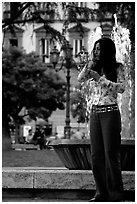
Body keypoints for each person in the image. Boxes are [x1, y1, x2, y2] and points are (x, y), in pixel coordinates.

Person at [78, 37, 125, 202]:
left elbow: (122, 88)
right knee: (96, 155)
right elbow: (79, 79)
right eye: (95, 49)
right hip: (95, 113)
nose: (96, 52)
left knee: (110, 154)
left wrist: (100, 78)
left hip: (110, 113)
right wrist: (88, 67)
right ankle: (100, 193)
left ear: (106, 50)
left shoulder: (118, 68)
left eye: (99, 49)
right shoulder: (94, 67)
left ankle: (116, 194)